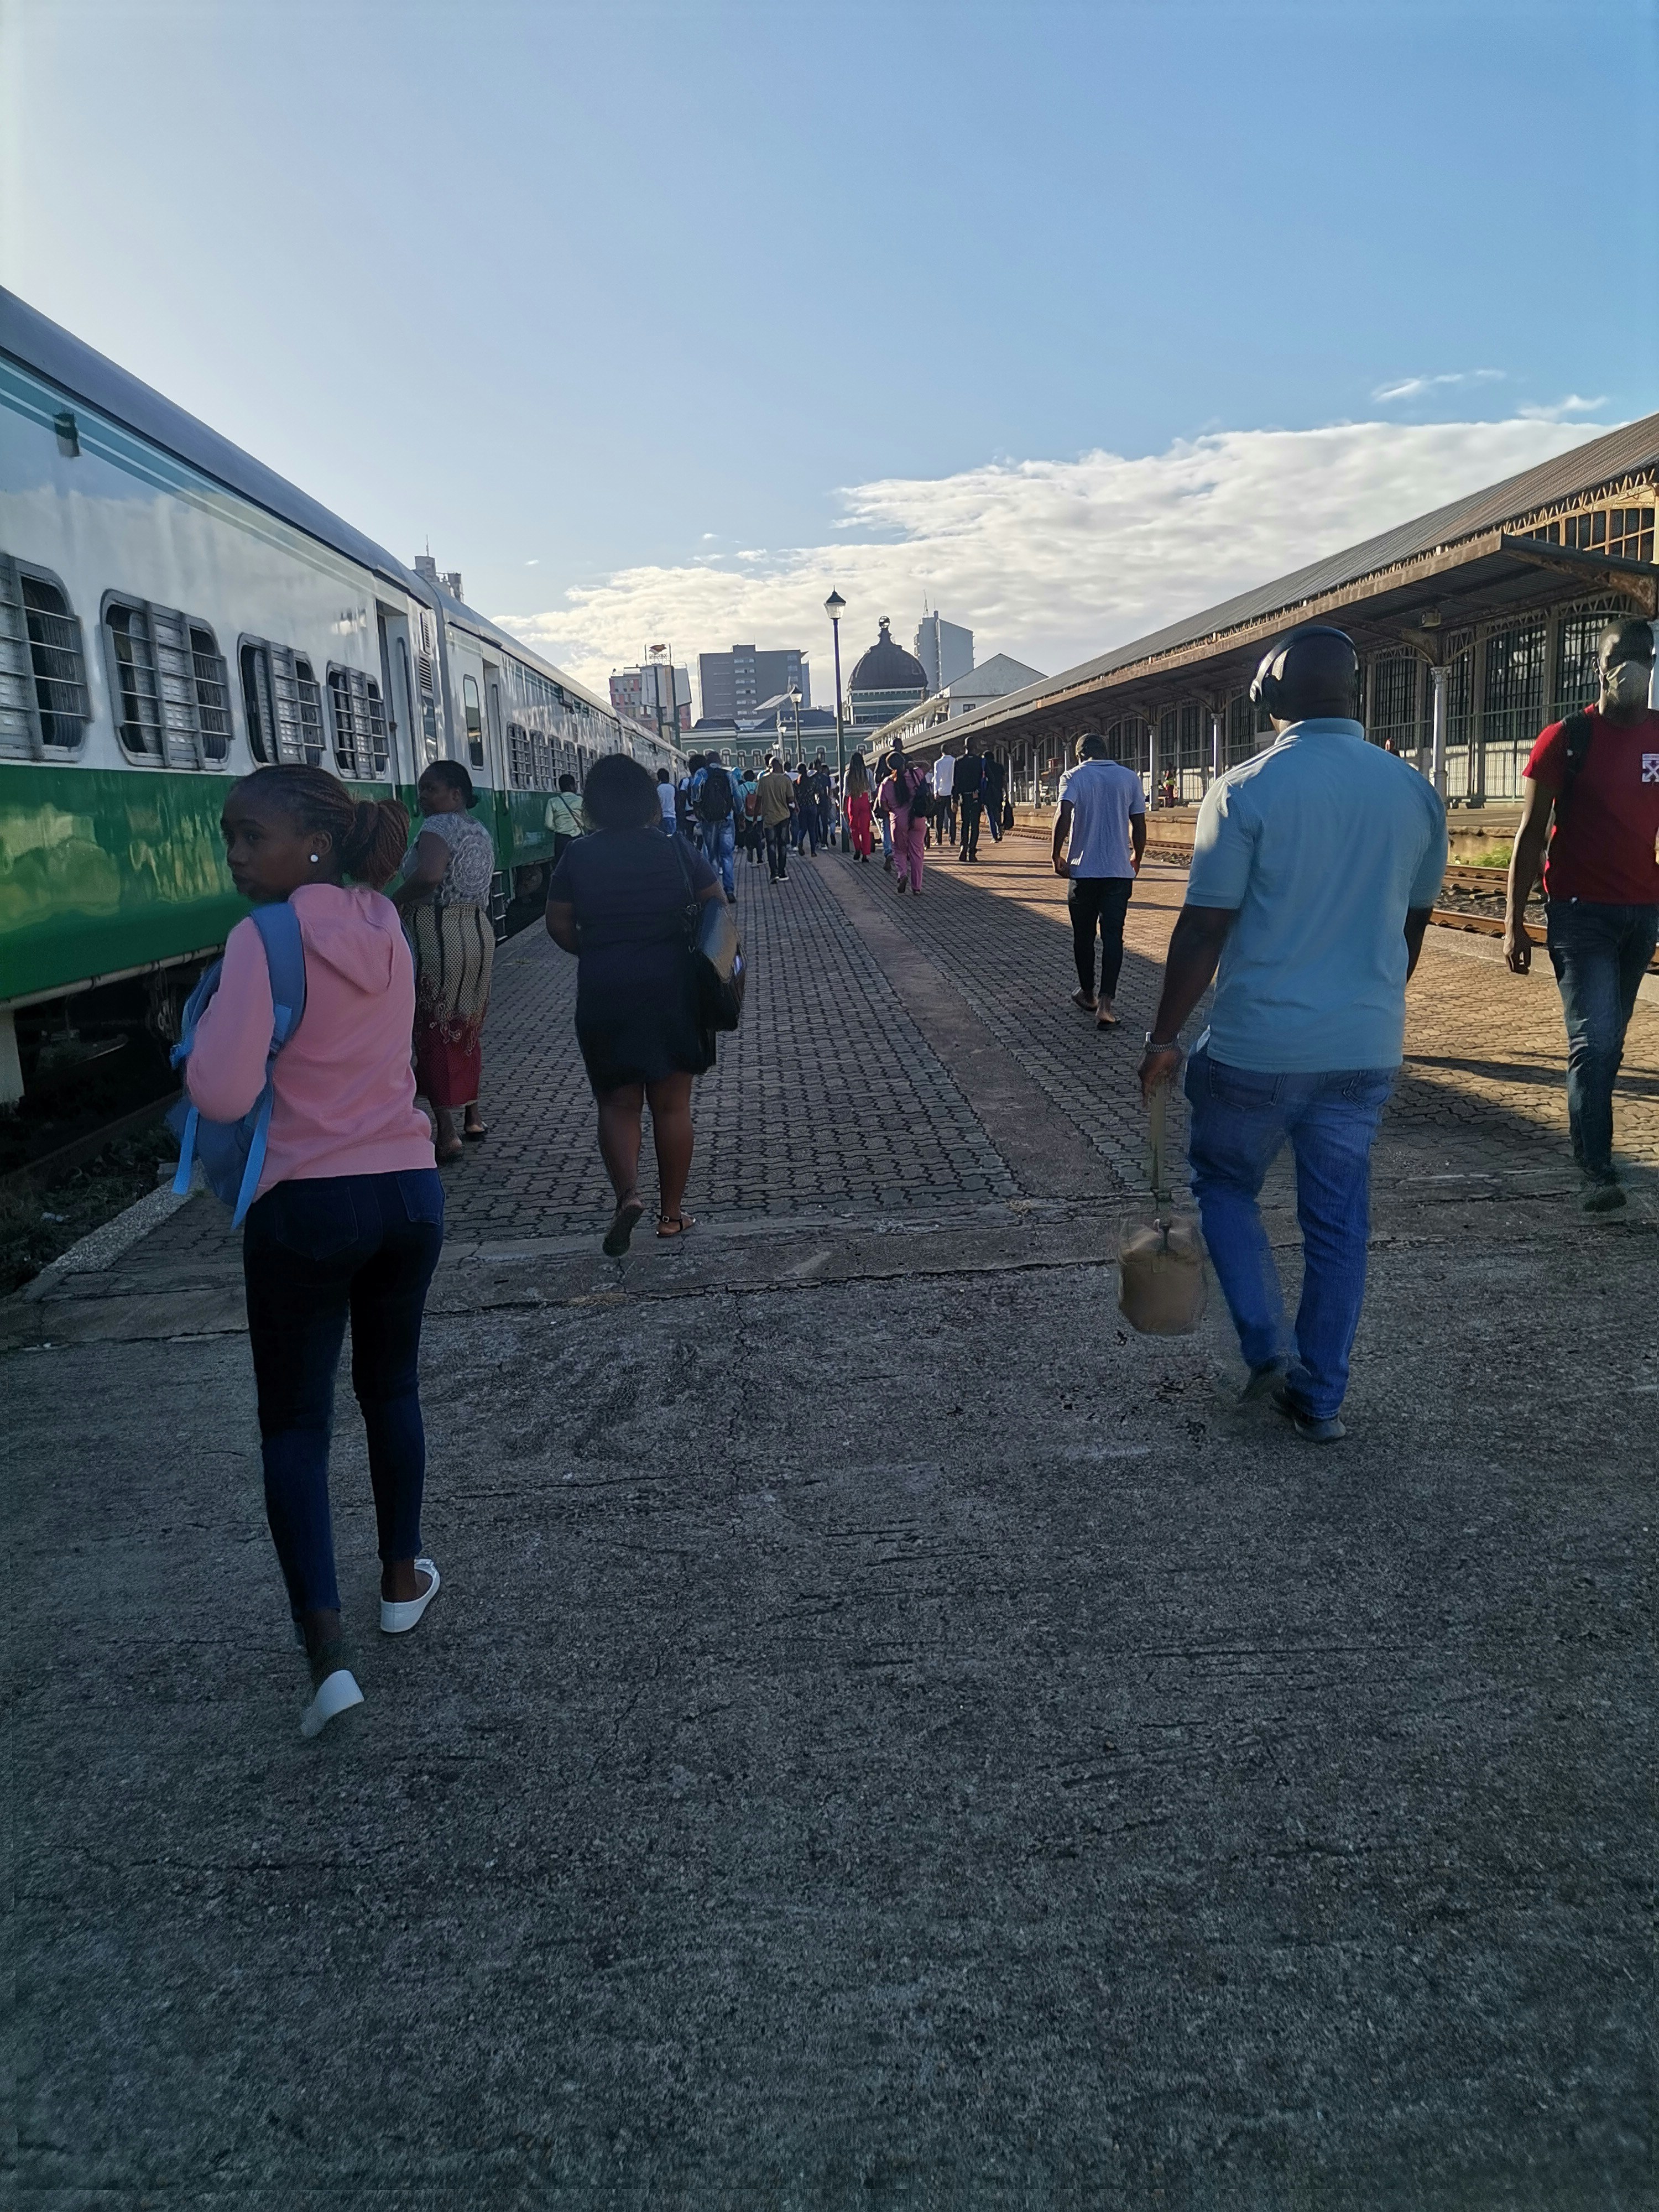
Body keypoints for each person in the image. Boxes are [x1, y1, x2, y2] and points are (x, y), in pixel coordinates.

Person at [1136, 625, 1446, 1443]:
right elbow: (1411, 929)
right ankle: (1323, 1396)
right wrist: (1368, 1005)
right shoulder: (1414, 792)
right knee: (1339, 1224)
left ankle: (1266, 1344)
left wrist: (1164, 1037)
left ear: (1269, 696)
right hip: (1364, 1050)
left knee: (1223, 1182)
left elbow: (1203, 930)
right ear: (1355, 691)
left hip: (1257, 1049)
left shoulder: (1245, 789)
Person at [187, 764, 443, 1739]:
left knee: (296, 1426)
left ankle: (328, 1658)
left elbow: (218, 1094)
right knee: (394, 1391)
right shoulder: (383, 926)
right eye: (232, 839)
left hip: (308, 1204)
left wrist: (211, 1029)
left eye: (252, 837)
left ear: (315, 845)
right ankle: (401, 1579)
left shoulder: (266, 937)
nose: (237, 857)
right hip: (409, 1195)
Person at [1504, 617, 1659, 1211]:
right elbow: (1530, 834)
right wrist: (1515, 920)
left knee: (1612, 1043)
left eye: (1646, 655)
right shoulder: (1566, 738)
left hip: (1641, 913)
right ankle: (1597, 1168)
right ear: (1599, 667)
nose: (1637, 666)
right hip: (1579, 914)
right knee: (1593, 1043)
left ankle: (1592, 1136)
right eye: (1624, 656)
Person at [545, 753, 726, 1251]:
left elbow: (558, 923)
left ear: (594, 805)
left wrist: (597, 949)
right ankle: (671, 1216)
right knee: (672, 1106)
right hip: (673, 988)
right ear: (650, 801)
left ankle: (628, 1195)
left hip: (606, 989)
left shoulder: (578, 856)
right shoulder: (675, 850)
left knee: (617, 1103)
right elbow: (716, 904)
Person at [393, 761, 496, 1162]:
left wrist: (393, 901)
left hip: (436, 933)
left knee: (433, 1030)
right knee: (468, 1026)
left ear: (456, 793)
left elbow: (431, 876)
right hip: (476, 931)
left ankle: (447, 1131)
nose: (423, 797)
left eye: (431, 789)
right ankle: (473, 1116)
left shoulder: (437, 828)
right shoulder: (480, 830)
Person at [1053, 733, 1147, 1028]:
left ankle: (1088, 993)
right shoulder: (1129, 777)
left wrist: (1056, 855)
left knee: (1083, 936)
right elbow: (1139, 824)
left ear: (1080, 755)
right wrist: (1138, 857)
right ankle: (1106, 1006)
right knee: (1113, 937)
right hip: (1119, 873)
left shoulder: (1073, 776)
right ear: (1106, 752)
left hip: (1083, 872)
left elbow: (1063, 814)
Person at [690, 747, 743, 898]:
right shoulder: (728, 774)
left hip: (709, 820)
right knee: (727, 856)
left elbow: (695, 787)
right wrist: (740, 814)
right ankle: (730, 890)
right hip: (727, 819)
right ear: (720, 762)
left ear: (707, 763)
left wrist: (697, 804)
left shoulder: (702, 773)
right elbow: (737, 796)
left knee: (712, 856)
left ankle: (716, 893)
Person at [888, 744, 930, 896]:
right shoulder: (915, 775)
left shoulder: (888, 783)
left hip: (899, 821)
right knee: (917, 853)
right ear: (904, 763)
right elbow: (927, 765)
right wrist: (912, 764)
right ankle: (917, 887)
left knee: (899, 850)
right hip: (918, 819)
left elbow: (884, 806)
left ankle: (902, 874)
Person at [755, 753, 797, 883]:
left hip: (768, 818)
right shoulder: (786, 780)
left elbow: (758, 800)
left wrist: (756, 817)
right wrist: (794, 805)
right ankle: (782, 871)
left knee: (771, 846)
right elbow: (791, 799)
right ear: (780, 765)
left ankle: (774, 873)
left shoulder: (763, 780)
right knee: (783, 845)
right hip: (784, 817)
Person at [955, 740, 985, 860]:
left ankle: (963, 846)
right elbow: (983, 780)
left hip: (964, 797)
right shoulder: (980, 762)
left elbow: (956, 782)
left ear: (965, 747)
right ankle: (972, 852)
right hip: (976, 796)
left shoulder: (959, 761)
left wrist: (955, 798)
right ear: (975, 747)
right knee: (975, 825)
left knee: (965, 823)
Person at [844, 752, 875, 862]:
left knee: (854, 827)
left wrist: (843, 807)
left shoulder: (848, 774)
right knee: (865, 829)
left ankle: (858, 848)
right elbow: (873, 788)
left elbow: (846, 792)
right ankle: (865, 855)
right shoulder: (868, 772)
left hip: (854, 800)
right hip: (865, 799)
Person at [550, 773, 586, 859]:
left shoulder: (553, 802)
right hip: (578, 836)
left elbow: (548, 824)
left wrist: (559, 828)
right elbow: (586, 820)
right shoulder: (581, 800)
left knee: (561, 865)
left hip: (561, 839)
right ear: (571, 786)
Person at [932, 747, 958, 848]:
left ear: (942, 752)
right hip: (952, 793)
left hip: (941, 793)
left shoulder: (938, 763)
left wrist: (935, 792)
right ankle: (952, 840)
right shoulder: (955, 761)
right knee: (952, 818)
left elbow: (937, 778)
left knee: (939, 818)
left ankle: (939, 840)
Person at [982, 750, 1008, 843]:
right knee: (998, 812)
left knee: (990, 815)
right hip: (998, 793)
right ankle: (999, 831)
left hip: (987, 794)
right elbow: (1004, 781)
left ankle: (994, 836)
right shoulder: (1000, 766)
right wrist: (1007, 793)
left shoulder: (984, 767)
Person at [654, 766, 677, 837]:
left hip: (662, 818)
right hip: (672, 817)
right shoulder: (673, 788)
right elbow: (677, 802)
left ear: (659, 778)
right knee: (672, 840)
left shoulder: (658, 788)